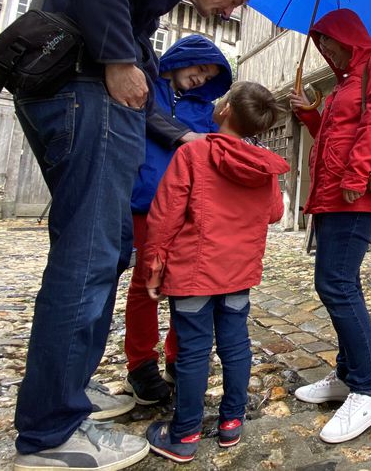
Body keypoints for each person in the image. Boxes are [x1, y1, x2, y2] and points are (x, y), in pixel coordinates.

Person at [11, 0, 250, 471]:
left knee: (105, 252)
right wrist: (121, 57)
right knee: (90, 259)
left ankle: (65, 393)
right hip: (78, 92)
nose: (229, 14)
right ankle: (50, 433)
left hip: (73, 97)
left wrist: (132, 51)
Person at [140, 81, 288, 463]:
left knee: (192, 352)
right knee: (236, 346)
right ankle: (230, 423)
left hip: (193, 273)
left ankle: (185, 433)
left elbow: (165, 214)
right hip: (238, 272)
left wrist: (154, 265)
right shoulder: (263, 166)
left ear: (223, 110)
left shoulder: (194, 152)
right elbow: (274, 214)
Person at [289, 8, 371, 443]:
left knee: (337, 284)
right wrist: (308, 114)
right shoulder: (342, 83)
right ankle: (347, 375)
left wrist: (356, 175)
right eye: (320, 43)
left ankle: (367, 391)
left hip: (355, 194)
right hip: (333, 195)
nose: (326, 49)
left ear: (348, 36)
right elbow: (334, 136)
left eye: (330, 41)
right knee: (336, 283)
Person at [123, 35, 233, 405]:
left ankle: (177, 356)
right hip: (144, 201)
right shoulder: (144, 86)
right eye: (200, 68)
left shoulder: (204, 107)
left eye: (209, 75)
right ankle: (140, 365)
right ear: (182, 59)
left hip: (186, 207)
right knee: (144, 286)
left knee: (184, 284)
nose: (201, 79)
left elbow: (216, 144)